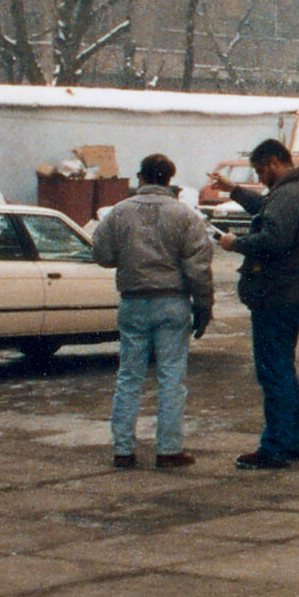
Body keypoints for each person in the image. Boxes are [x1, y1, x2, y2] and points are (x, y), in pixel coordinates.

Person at [90, 153, 215, 470]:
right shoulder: (185, 215)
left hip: (133, 301)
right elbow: (199, 268)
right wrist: (203, 306)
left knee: (129, 377)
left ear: (141, 177)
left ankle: (123, 449)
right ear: (169, 179)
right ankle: (169, 450)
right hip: (172, 302)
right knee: (172, 376)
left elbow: (102, 254)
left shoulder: (119, 212)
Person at [214, 138, 299, 469]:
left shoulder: (288, 194)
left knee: (274, 373)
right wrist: (233, 190)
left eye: (261, 171)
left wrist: (236, 243)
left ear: (275, 162)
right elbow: (265, 208)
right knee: (283, 370)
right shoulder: (297, 189)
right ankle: (294, 442)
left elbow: (274, 238)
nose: (260, 178)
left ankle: (274, 447)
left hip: (278, 294)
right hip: (294, 291)